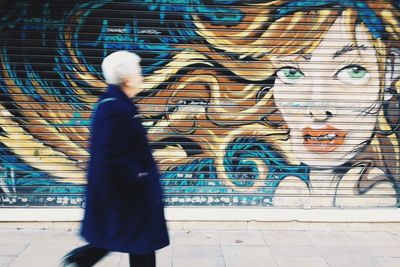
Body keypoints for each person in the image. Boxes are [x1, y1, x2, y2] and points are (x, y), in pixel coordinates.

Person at [136, 0, 400, 207]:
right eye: (291, 72)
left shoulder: (373, 189)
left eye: (352, 70)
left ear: (390, 74)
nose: (318, 109)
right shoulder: (290, 187)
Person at [60, 51, 169, 266]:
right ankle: (77, 262)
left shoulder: (117, 103)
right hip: (130, 196)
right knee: (137, 243)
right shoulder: (114, 107)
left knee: (128, 241)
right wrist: (140, 174)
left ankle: (78, 261)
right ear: (127, 79)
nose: (142, 78)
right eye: (139, 73)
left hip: (129, 195)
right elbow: (110, 155)